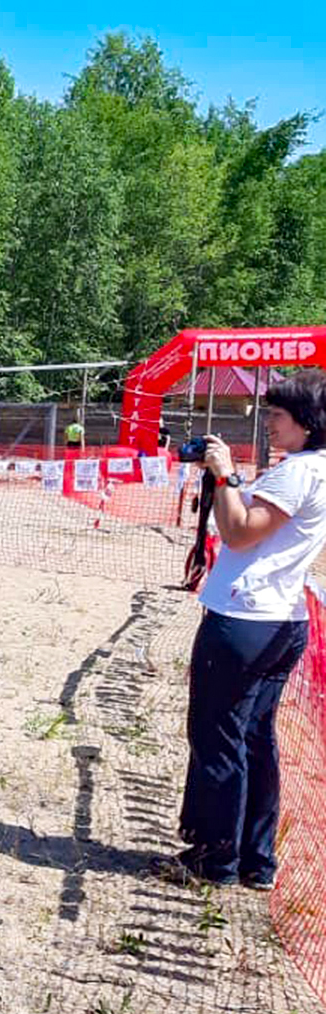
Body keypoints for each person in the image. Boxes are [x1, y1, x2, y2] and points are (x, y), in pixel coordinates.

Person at [164, 372, 326, 891]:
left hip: (244, 619)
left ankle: (216, 857)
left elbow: (237, 533)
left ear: (306, 423)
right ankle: (255, 859)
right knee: (254, 738)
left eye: (277, 416)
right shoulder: (315, 470)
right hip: (280, 621)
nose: (269, 424)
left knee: (218, 736)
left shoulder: (296, 474)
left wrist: (227, 478)